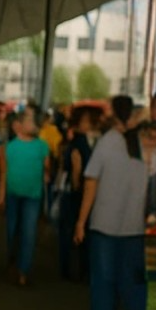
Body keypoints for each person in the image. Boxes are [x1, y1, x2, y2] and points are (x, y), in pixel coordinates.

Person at [75, 108, 152, 310]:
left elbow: (91, 182)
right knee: (133, 282)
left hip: (104, 225)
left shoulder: (107, 142)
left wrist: (81, 221)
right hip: (134, 226)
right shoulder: (145, 144)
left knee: (103, 283)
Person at [0, 113, 54, 285]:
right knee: (12, 230)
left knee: (29, 232)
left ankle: (23, 269)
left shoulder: (42, 146)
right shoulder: (10, 146)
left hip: (33, 195)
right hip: (13, 194)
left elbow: (47, 168)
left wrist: (46, 173)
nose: (34, 124)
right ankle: (13, 261)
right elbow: (3, 172)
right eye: (30, 121)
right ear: (19, 125)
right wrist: (1, 195)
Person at [56, 105, 100, 282]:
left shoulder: (71, 143)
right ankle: (83, 270)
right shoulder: (84, 143)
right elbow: (77, 168)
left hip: (71, 192)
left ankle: (66, 268)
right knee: (81, 231)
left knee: (66, 232)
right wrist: (78, 188)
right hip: (79, 192)